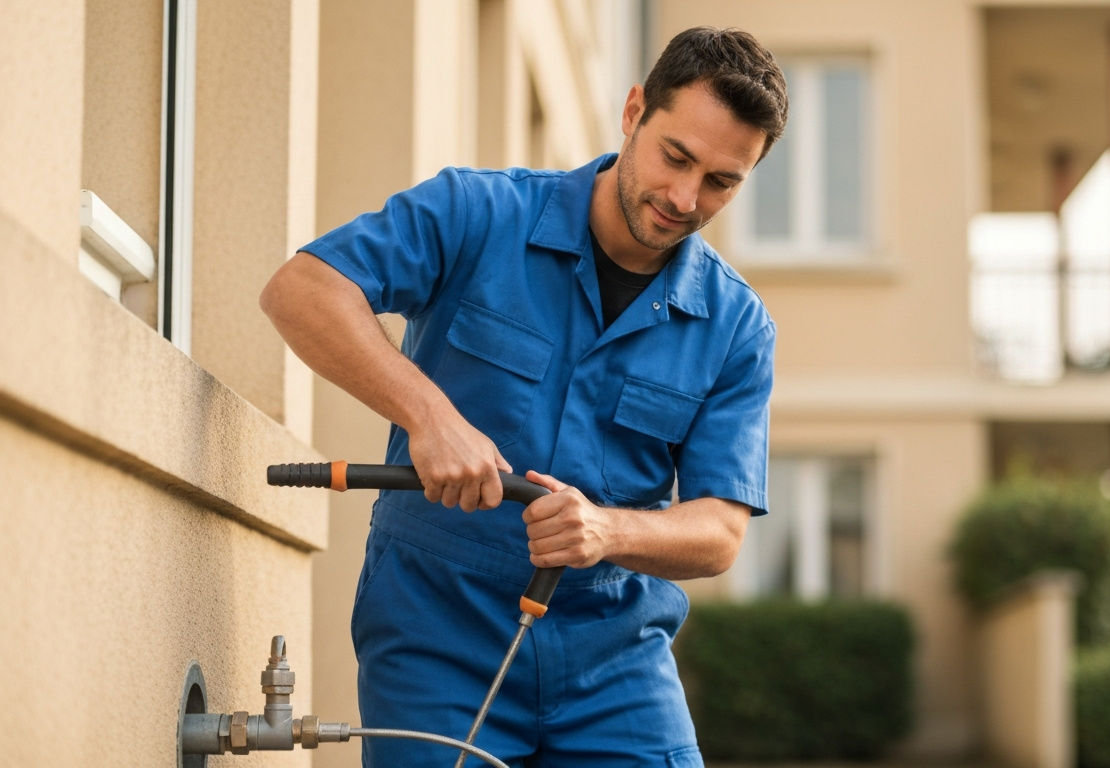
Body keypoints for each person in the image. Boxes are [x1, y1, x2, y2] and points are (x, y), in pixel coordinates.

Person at [260, 26, 787, 768]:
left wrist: (605, 531)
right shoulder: (477, 213)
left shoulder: (736, 328)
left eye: (721, 181)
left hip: (615, 658)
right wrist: (430, 417)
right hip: (435, 634)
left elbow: (719, 533)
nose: (684, 198)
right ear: (635, 111)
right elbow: (303, 291)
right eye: (676, 157)